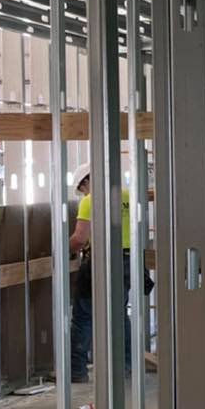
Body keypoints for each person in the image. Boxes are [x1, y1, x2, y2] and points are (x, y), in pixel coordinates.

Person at [68, 162, 134, 383]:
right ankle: (125, 366)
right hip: (126, 260)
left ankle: (77, 371)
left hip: (100, 260)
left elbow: (79, 239)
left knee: (83, 316)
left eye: (82, 188)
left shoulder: (90, 200)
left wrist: (62, 248)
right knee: (120, 313)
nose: (84, 193)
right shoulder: (126, 195)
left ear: (87, 181)